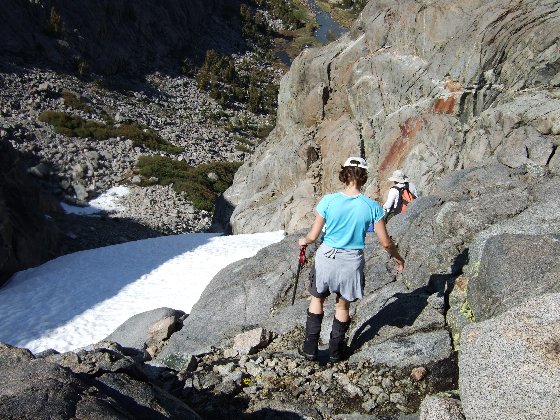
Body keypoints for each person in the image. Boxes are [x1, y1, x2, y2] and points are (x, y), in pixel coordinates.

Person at [297, 156, 405, 362]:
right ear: (364, 176)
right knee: (342, 306)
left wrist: (304, 241)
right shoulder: (372, 206)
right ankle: (336, 352)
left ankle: (310, 348)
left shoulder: (328, 200)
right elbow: (385, 243)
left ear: (344, 175)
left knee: (317, 299)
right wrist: (398, 258)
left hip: (326, 257)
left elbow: (313, 236)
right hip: (351, 261)